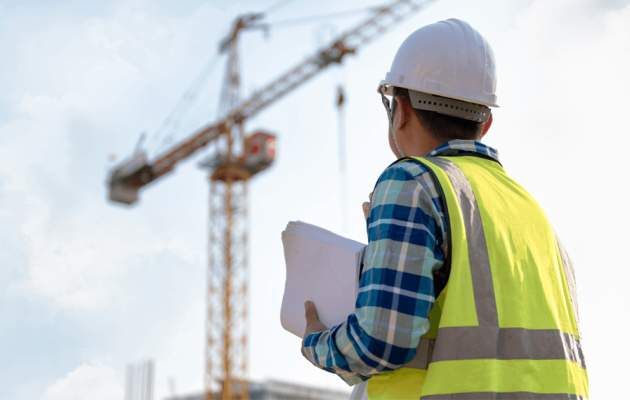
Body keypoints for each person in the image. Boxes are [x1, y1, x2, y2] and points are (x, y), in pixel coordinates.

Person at [300, 18, 589, 399]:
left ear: (400, 110)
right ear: (485, 123)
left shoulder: (412, 183)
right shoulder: (533, 213)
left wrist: (316, 342)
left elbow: (381, 342)